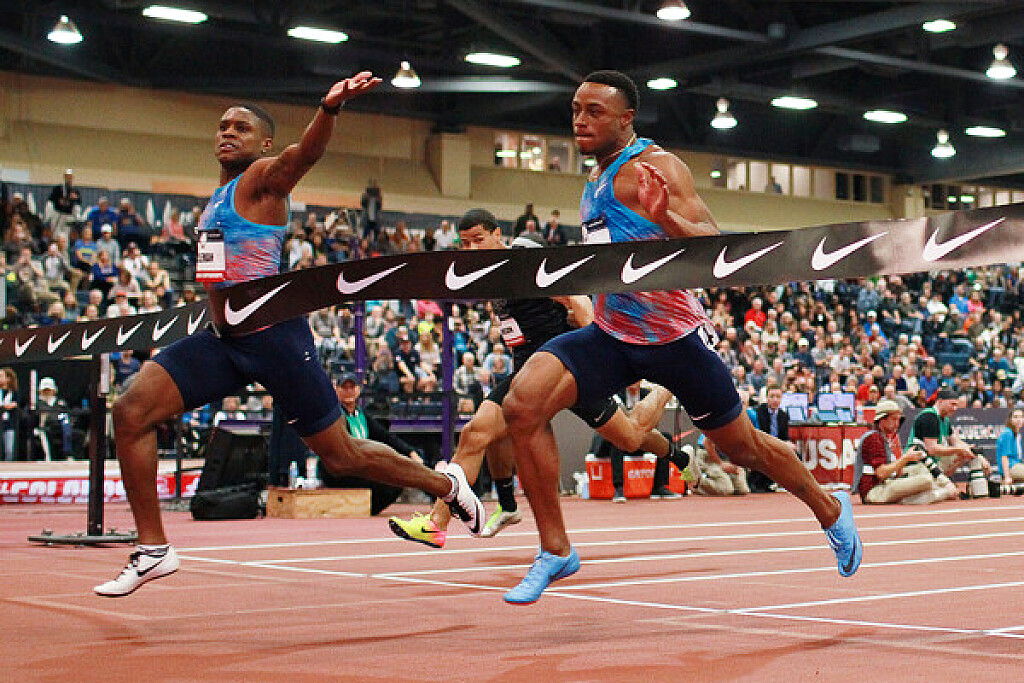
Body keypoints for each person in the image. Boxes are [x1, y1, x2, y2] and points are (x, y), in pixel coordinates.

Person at [94, 71, 483, 598]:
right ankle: (153, 550)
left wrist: (329, 109)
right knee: (130, 412)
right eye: (222, 126)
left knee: (341, 455)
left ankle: (446, 485)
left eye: (241, 128)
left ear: (264, 144)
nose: (227, 133)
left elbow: (303, 157)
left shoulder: (262, 178)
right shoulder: (220, 195)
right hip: (226, 342)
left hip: (276, 340)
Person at [499, 71, 861, 604]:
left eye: (595, 111)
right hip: (612, 335)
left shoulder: (658, 166)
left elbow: (714, 248)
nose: (580, 120)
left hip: (674, 341)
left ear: (626, 119)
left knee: (743, 448)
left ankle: (829, 507)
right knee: (521, 406)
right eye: (576, 109)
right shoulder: (594, 178)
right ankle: (556, 550)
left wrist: (665, 215)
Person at [389, 209, 694, 549]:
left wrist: (597, 348)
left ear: (497, 236)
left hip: (565, 370)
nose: (472, 249)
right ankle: (444, 522)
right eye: (465, 243)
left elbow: (576, 299)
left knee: (629, 436)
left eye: (478, 240)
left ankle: (669, 399)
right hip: (527, 375)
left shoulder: (525, 262)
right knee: (478, 432)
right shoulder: (484, 276)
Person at [321, 373, 426, 515]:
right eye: (344, 388)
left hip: (359, 466)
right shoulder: (334, 415)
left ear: (358, 390)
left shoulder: (361, 415)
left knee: (395, 482)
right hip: (338, 469)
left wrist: (410, 452)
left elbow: (386, 436)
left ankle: (365, 509)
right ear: (336, 389)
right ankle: (360, 510)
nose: (348, 391)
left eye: (352, 387)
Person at [855, 400, 957, 505]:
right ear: (882, 420)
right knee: (926, 480)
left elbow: (894, 473)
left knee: (922, 469)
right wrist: (906, 458)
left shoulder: (882, 438)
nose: (897, 424)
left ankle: (924, 495)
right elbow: (881, 473)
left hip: (887, 483)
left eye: (898, 420)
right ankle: (944, 492)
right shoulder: (873, 439)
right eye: (894, 419)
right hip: (875, 491)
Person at [749, 383, 789, 492]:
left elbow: (785, 437)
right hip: (763, 446)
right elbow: (759, 435)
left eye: (778, 397)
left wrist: (788, 444)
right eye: (772, 396)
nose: (775, 400)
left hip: (778, 446)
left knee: (796, 455)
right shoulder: (758, 412)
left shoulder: (784, 415)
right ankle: (758, 482)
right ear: (767, 398)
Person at [995, 407, 1024, 484]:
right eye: (1015, 417)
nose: (1019, 419)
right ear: (1010, 419)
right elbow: (1004, 457)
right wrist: (1007, 477)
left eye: (1021, 417)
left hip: (1016, 465)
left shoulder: (1018, 434)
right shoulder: (1008, 433)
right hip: (1010, 467)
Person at [0, 368, 19, 461]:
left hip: (9, 424)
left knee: (9, 450)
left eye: (1, 376)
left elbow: (15, 404)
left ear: (8, 378)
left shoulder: (13, 393)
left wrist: (8, 406)